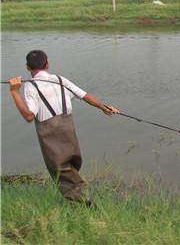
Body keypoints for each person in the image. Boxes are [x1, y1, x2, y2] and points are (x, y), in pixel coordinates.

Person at [8, 50, 120, 207]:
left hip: (50, 132)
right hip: (68, 128)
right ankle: (78, 200)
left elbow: (28, 116)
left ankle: (87, 205)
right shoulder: (60, 80)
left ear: (27, 67)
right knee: (71, 165)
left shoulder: (30, 87)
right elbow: (85, 96)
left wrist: (14, 92)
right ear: (48, 64)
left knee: (60, 169)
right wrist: (104, 107)